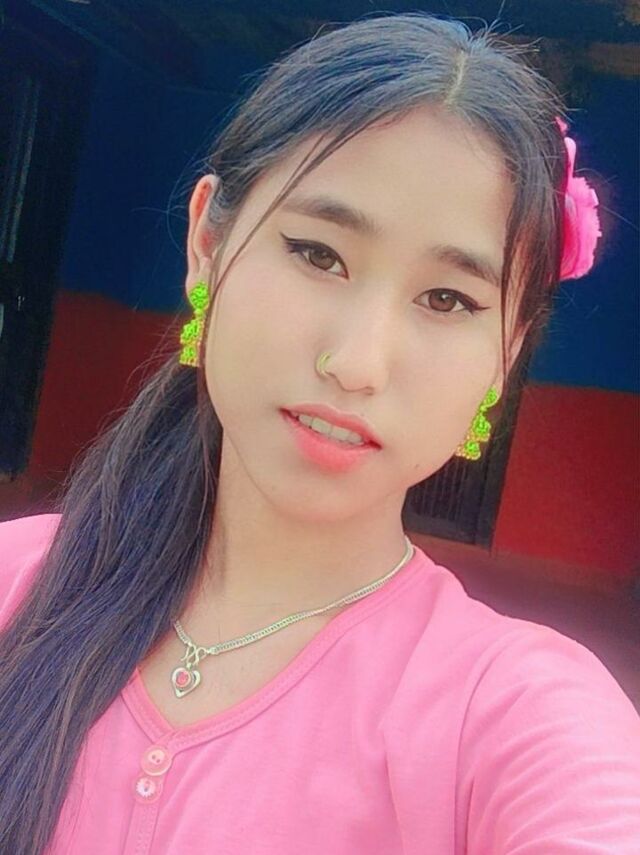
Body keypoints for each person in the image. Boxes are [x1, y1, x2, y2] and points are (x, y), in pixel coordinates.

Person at [0, 12, 638, 855]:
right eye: (318, 254)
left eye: (447, 299)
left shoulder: (513, 710)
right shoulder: (17, 581)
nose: (357, 363)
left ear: (506, 353)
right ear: (208, 243)